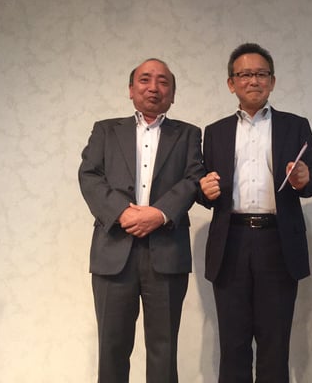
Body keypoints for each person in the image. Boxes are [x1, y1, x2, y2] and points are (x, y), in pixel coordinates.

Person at [198, 42, 312, 383]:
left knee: (274, 345)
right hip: (230, 242)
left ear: (273, 81)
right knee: (233, 345)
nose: (253, 80)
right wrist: (203, 190)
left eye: (261, 74)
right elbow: (205, 188)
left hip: (277, 242)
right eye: (245, 74)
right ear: (231, 83)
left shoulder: (295, 125)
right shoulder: (215, 132)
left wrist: (304, 178)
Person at [78, 58, 205, 383]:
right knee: (112, 348)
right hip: (113, 252)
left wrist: (159, 214)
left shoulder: (188, 134)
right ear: (131, 89)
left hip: (167, 252)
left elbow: (194, 178)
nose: (153, 87)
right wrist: (122, 212)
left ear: (172, 94)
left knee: (164, 349)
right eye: (145, 80)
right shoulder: (106, 130)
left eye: (163, 81)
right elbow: (89, 175)